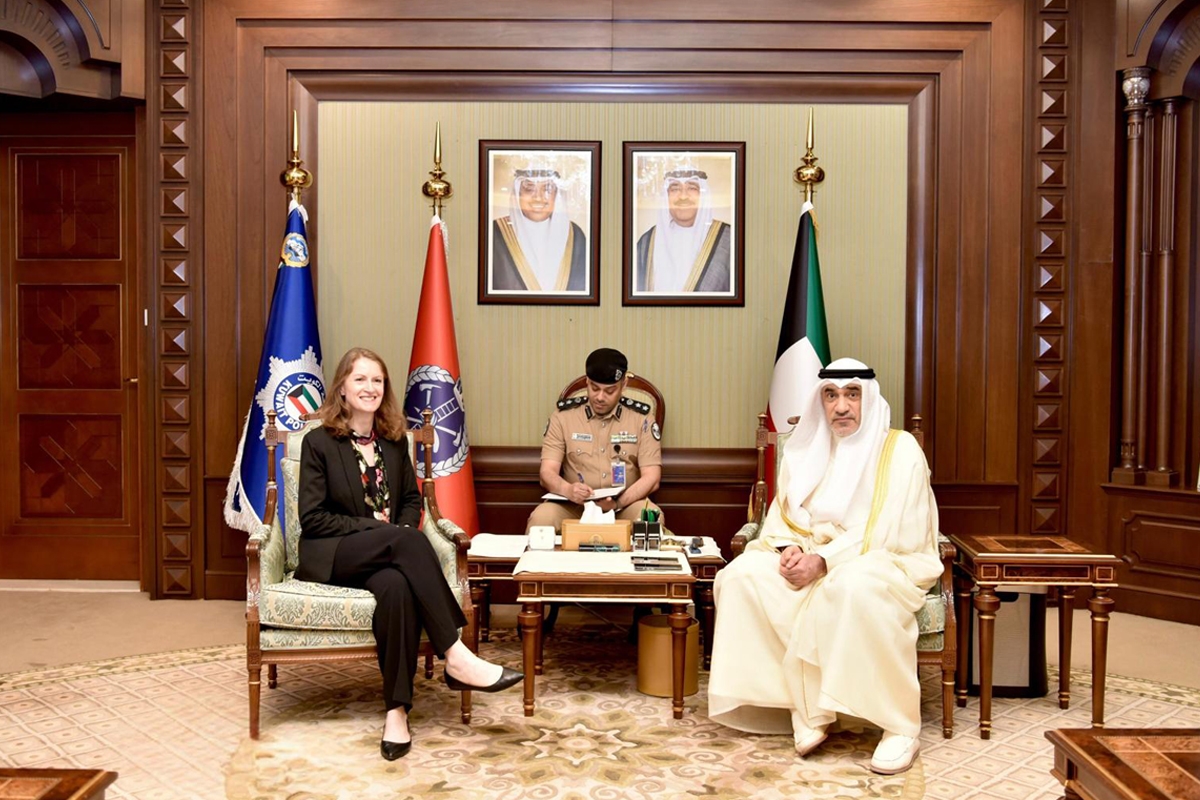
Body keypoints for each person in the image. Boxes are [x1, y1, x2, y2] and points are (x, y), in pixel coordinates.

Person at [707, 357, 942, 775]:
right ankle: (803, 706)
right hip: (812, 553)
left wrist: (825, 562)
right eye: (831, 396)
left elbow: (889, 528)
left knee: (849, 589)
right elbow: (784, 518)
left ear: (869, 398)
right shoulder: (806, 448)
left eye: (852, 394)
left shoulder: (900, 449)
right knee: (742, 576)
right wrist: (789, 550)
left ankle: (898, 726)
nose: (841, 406)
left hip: (881, 558)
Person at [295, 347, 522, 761]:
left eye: (377, 380)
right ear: (342, 388)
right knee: (408, 541)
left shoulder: (395, 442)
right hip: (333, 554)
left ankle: (396, 712)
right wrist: (385, 533)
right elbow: (313, 519)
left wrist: (395, 533)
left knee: (397, 587)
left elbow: (412, 503)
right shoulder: (318, 443)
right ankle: (456, 653)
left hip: (385, 558)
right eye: (360, 379)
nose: (370, 387)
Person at [526, 347, 663, 532]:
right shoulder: (563, 417)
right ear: (587, 382)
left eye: (609, 391)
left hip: (624, 505)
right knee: (541, 518)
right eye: (594, 388)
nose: (600, 397)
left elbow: (652, 478)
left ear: (623, 385)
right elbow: (547, 473)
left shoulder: (642, 419)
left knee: (650, 519)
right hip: (574, 505)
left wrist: (617, 503)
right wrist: (568, 490)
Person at [635, 168, 732, 293]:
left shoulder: (729, 240)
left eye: (692, 188)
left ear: (703, 195)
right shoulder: (647, 242)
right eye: (675, 189)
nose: (683, 196)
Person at [492, 168, 588, 293]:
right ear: (518, 194)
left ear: (556, 195)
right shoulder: (494, 233)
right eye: (529, 188)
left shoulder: (575, 235)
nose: (538, 198)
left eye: (547, 189)